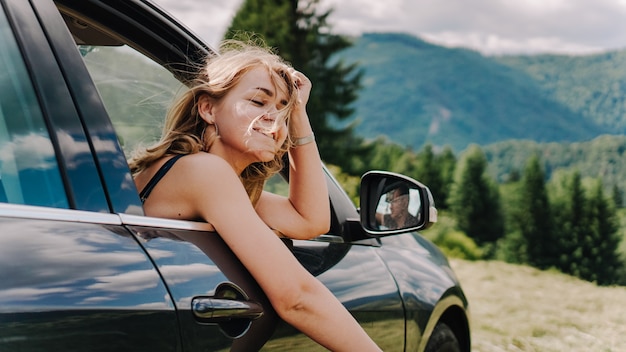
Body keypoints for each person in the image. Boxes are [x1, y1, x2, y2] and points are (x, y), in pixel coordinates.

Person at [129, 40, 381, 351]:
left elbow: (310, 221)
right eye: (258, 102)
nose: (274, 120)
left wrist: (299, 114)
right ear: (208, 108)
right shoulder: (203, 173)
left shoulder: (208, 180)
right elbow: (297, 298)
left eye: (282, 110)